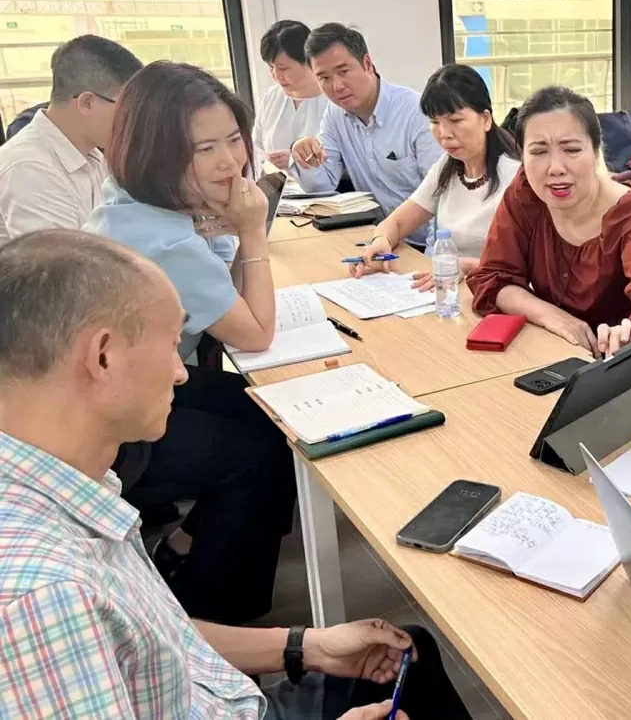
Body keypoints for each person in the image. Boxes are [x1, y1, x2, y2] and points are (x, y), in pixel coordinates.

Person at [0, 229, 471, 719]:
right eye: (169, 344)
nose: (181, 373)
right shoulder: (43, 599)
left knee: (407, 653)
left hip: (215, 697)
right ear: (103, 356)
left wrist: (303, 646)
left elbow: (152, 638)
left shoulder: (69, 482)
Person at [84, 60, 295, 625]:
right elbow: (255, 332)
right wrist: (252, 230)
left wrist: (219, 227)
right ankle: (214, 615)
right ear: (157, 150)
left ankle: (184, 546)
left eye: (233, 139)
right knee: (258, 454)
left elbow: (216, 296)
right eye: (204, 149)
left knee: (261, 412)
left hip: (126, 380)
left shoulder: (129, 200)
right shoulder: (160, 237)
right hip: (112, 426)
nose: (230, 160)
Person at [467, 86, 631, 357]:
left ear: (596, 153)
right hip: (554, 345)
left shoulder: (630, 211)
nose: (555, 167)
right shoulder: (526, 192)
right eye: (538, 152)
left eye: (571, 149)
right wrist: (554, 316)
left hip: (619, 360)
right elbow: (494, 278)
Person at [349, 64, 519, 287]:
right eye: (434, 122)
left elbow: (531, 269)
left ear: (486, 119)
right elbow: (398, 223)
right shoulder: (447, 168)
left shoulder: (517, 177)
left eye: (455, 121)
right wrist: (381, 242)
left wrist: (469, 266)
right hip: (451, 288)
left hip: (497, 292)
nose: (444, 134)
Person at [291, 23, 444, 247]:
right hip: (384, 240)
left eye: (343, 71)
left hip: (428, 244)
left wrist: (434, 259)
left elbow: (442, 197)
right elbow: (321, 187)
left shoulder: (416, 113)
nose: (337, 86)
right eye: (324, 78)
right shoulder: (335, 115)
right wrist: (305, 154)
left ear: (367, 64)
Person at [0, 35, 141, 245]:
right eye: (128, 110)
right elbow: (63, 270)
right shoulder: (30, 169)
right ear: (87, 103)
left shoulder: (90, 153)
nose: (134, 121)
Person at [253, 19, 328, 172]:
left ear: (308, 60)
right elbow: (256, 147)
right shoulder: (269, 98)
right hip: (278, 190)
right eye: (271, 67)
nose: (276, 75)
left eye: (283, 68)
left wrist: (297, 161)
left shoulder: (334, 100)